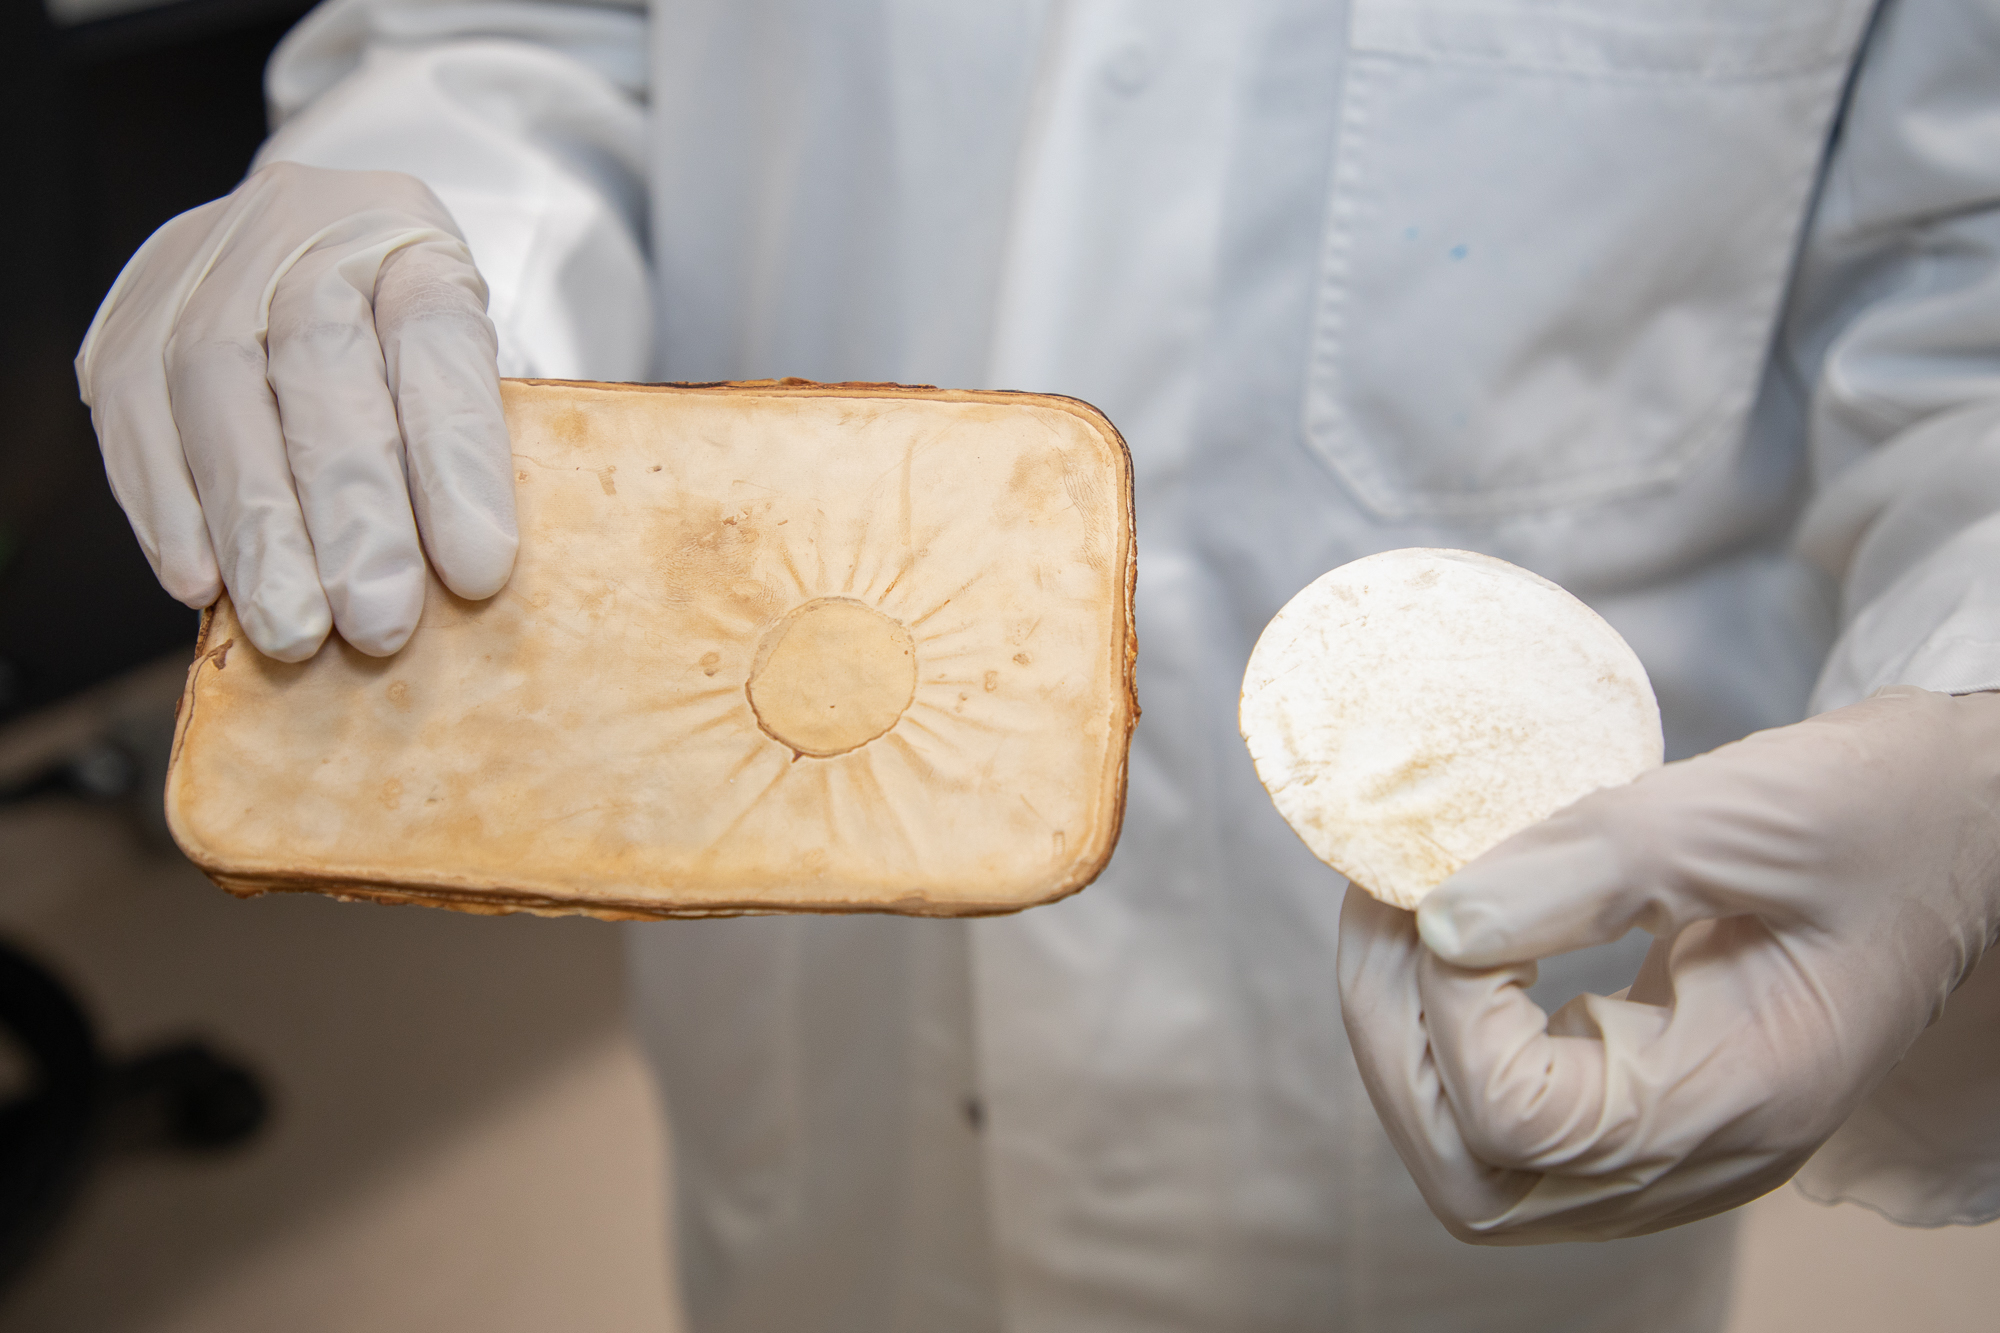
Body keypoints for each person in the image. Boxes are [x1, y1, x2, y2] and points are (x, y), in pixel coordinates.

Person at [73, 0, 2000, 1328]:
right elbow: (543, 32)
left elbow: (1965, 263)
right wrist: (422, 229)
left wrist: (1977, 757)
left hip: (1489, 998)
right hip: (823, 1037)